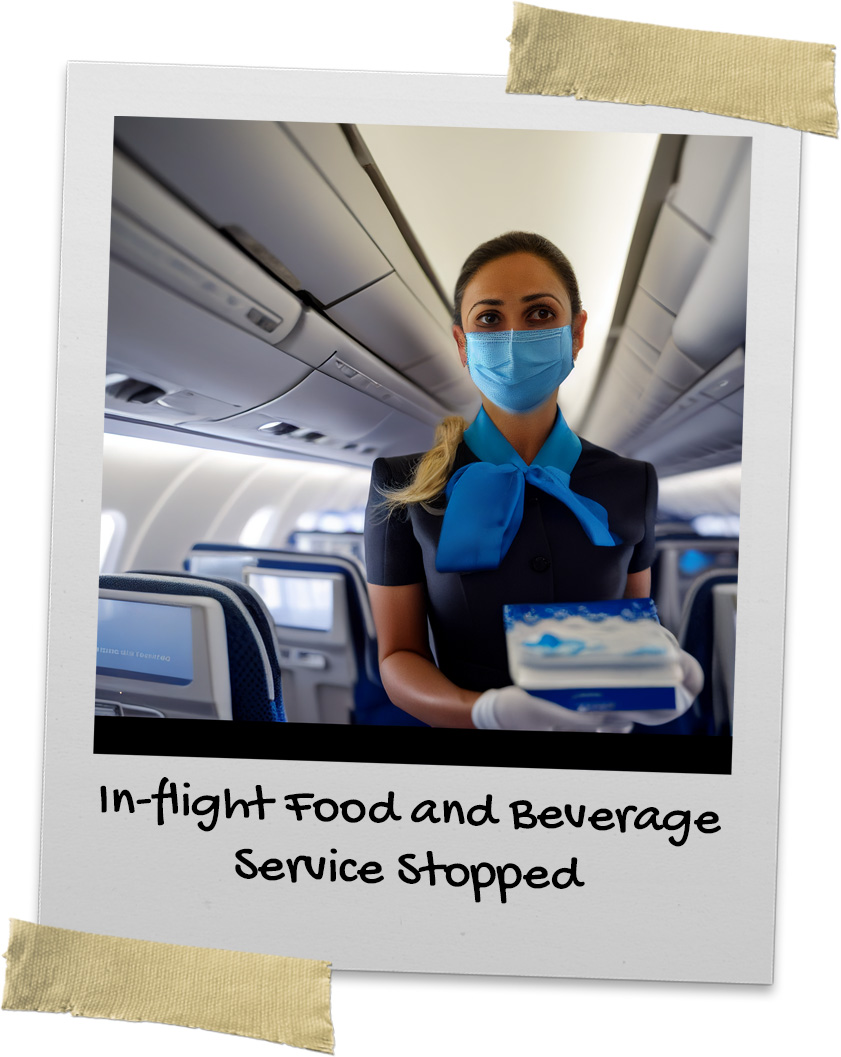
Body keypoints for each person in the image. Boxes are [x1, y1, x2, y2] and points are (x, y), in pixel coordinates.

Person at [364, 231, 701, 730]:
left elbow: (633, 631)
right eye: (490, 318)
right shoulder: (403, 484)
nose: (514, 335)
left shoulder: (634, 483)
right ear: (463, 343)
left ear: (577, 332)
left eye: (540, 314)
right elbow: (398, 659)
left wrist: (659, 659)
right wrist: (483, 713)